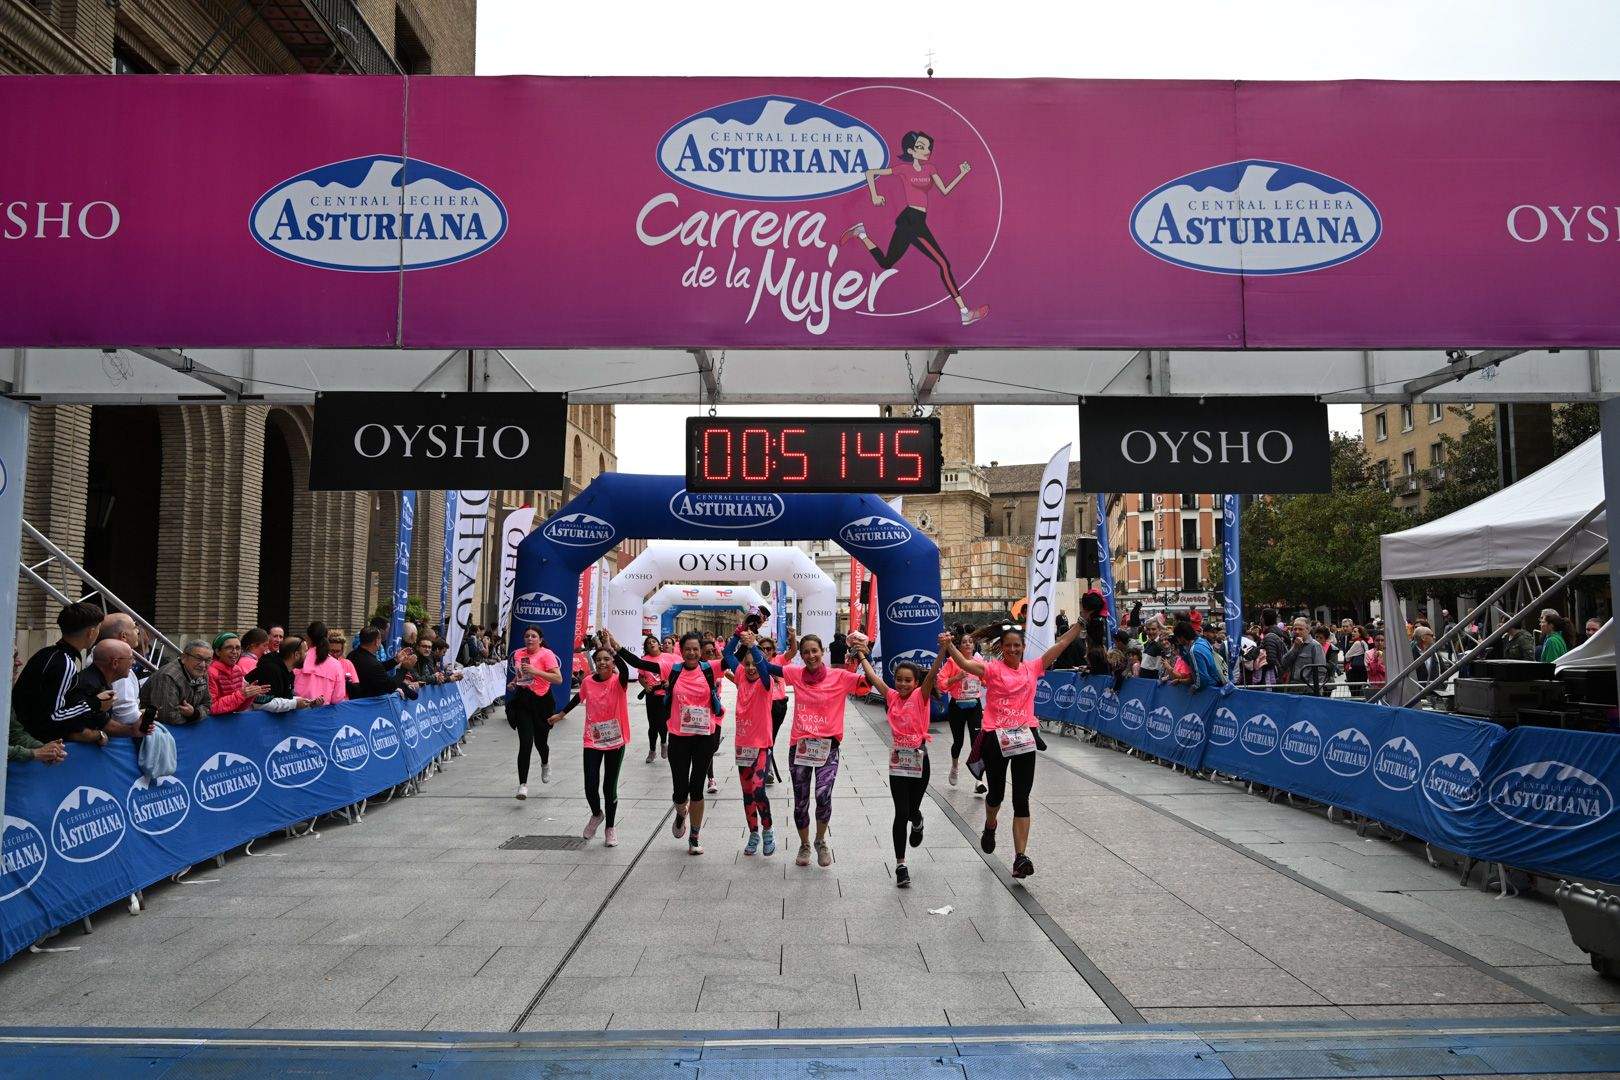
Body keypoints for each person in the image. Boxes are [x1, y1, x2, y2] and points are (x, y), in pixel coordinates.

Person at [942, 618, 1084, 879]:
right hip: (996, 738)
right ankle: (990, 824)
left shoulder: (1033, 668)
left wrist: (1081, 622)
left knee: (1021, 798)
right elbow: (964, 664)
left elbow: (1062, 643)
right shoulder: (992, 669)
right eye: (1008, 646)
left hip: (1025, 738)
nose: (1013, 650)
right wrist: (949, 646)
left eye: (1017, 645)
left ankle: (1020, 858)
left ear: (1022, 646)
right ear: (1001, 647)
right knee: (995, 794)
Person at [843, 129, 989, 326]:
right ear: (911, 151)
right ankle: (964, 312)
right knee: (944, 264)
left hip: (916, 220)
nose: (926, 150)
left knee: (886, 263)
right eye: (921, 147)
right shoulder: (904, 169)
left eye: (928, 148)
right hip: (911, 220)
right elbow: (870, 173)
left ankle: (861, 234)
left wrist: (961, 174)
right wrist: (874, 195)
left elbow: (945, 190)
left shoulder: (930, 169)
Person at [856, 640, 944, 889]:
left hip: (919, 760)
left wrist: (943, 650)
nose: (903, 684)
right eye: (899, 679)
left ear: (916, 683)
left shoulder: (920, 696)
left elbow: (934, 673)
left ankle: (919, 821)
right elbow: (873, 678)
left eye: (908, 680)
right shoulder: (892, 696)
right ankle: (901, 865)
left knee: (912, 810)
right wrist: (862, 656)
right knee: (900, 813)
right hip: (897, 763)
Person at [551, 630, 647, 847]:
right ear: (594, 663)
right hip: (592, 740)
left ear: (612, 662)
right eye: (599, 659)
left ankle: (610, 827)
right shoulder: (587, 682)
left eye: (607, 659)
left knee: (609, 787)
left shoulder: (619, 681)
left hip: (615, 740)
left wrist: (611, 646)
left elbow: (624, 668)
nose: (603, 663)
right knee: (590, 786)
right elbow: (578, 698)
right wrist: (561, 714)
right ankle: (597, 814)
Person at [776, 632, 864, 868]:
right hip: (800, 748)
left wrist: (861, 655)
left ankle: (820, 841)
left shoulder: (840, 677)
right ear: (802, 656)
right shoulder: (795, 673)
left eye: (815, 651)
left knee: (823, 795)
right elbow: (767, 669)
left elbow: (867, 685)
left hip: (828, 747)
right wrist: (752, 645)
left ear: (822, 652)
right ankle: (804, 845)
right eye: (806, 652)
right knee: (800, 801)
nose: (811, 655)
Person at [663, 631, 726, 855]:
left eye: (695, 649)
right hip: (679, 738)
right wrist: (615, 648)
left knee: (696, 787)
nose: (691, 652)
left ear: (701, 652)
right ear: (681, 650)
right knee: (680, 791)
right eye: (687, 649)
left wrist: (744, 635)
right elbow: (639, 663)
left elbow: (731, 657)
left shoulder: (709, 669)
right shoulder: (673, 670)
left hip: (704, 737)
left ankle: (695, 836)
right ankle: (681, 812)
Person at [15, 602, 110, 744]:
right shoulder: (65, 663)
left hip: (23, 727)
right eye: (98, 629)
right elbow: (53, 716)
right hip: (31, 737)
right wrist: (95, 703)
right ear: (91, 632)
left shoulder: (46, 653)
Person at [722, 629, 778, 857]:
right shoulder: (741, 677)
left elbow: (762, 668)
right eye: (747, 664)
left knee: (758, 790)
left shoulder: (767, 682)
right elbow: (726, 652)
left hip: (762, 746)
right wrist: (737, 633)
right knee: (747, 794)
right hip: (742, 746)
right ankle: (753, 833)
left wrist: (754, 646)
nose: (751, 667)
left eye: (755, 663)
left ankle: (767, 830)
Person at [508, 626, 564, 799]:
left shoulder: (547, 654)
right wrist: (514, 682)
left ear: (540, 639)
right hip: (523, 700)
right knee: (525, 743)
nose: (530, 639)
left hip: (542, 702)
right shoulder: (518, 654)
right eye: (527, 636)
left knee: (541, 743)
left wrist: (536, 671)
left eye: (533, 636)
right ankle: (522, 785)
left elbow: (558, 679)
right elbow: (521, 674)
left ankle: (545, 763)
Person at [939, 626, 985, 791]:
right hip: (957, 706)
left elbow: (987, 680)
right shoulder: (952, 662)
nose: (967, 644)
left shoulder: (979, 662)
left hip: (974, 705)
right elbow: (941, 684)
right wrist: (956, 678)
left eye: (970, 642)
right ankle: (954, 767)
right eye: (964, 642)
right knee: (958, 742)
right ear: (959, 646)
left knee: (976, 742)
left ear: (974, 646)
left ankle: (978, 780)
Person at [72, 639, 144, 739]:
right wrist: (132, 730)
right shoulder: (91, 685)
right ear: (115, 663)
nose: (134, 662)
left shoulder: (100, 680)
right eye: (130, 658)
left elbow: (102, 721)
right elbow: (102, 724)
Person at [142, 641, 213, 728]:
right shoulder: (168, 676)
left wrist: (195, 714)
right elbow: (167, 717)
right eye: (198, 658)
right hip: (157, 730)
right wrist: (192, 717)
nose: (203, 665)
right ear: (184, 658)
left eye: (208, 660)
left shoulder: (202, 673)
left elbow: (208, 705)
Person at [205, 633, 274, 715]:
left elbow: (239, 708)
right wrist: (242, 694)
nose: (234, 652)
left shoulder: (237, 669)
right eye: (229, 648)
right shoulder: (210, 672)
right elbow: (212, 708)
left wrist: (250, 695)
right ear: (218, 652)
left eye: (238, 648)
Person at [349, 627, 419, 700]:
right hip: (368, 703)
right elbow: (391, 686)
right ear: (376, 642)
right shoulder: (372, 663)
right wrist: (404, 668)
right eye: (380, 639)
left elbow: (376, 669)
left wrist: (395, 660)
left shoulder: (352, 655)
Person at [294, 622, 352, 705]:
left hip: (299, 712)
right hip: (323, 714)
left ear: (307, 638)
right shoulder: (335, 664)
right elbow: (337, 698)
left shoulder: (298, 659)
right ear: (326, 637)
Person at [639, 633, 671, 764]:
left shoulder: (668, 658)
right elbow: (641, 677)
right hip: (651, 696)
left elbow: (676, 672)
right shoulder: (643, 660)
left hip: (664, 694)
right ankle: (652, 750)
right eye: (648, 643)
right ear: (646, 647)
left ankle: (664, 743)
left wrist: (669, 682)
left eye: (654, 641)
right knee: (652, 725)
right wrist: (645, 685)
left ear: (659, 644)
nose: (651, 643)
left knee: (663, 723)